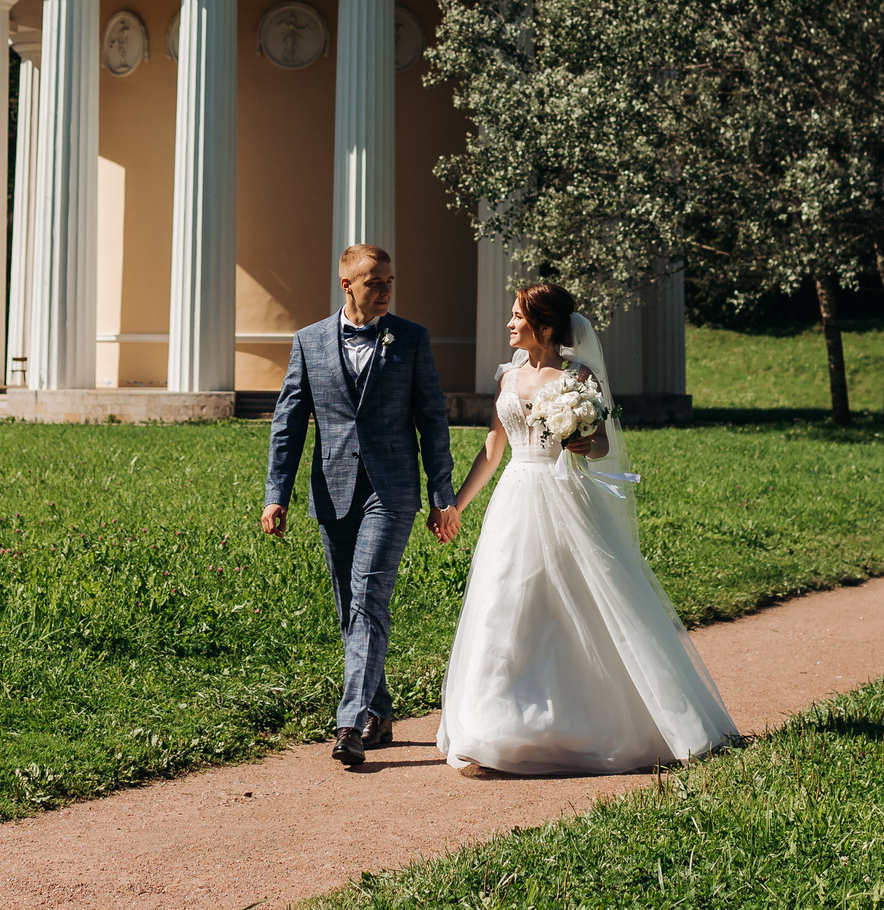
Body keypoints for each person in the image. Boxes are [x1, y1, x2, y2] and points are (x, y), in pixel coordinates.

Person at [435, 283, 736, 775]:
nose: (509, 324)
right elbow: (493, 448)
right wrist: (457, 505)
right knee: (505, 603)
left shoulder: (579, 377)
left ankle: (599, 722)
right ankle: (494, 728)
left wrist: (583, 445)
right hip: (515, 498)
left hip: (565, 499)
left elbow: (600, 446)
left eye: (517, 317)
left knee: (582, 602)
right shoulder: (508, 378)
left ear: (545, 327)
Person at [263, 244, 459, 767]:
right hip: (333, 490)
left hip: (392, 492)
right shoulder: (308, 342)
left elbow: (432, 421)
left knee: (369, 594)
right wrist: (275, 494)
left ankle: (350, 723)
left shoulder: (411, 339)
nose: (386, 290)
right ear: (346, 285)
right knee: (350, 607)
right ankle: (380, 710)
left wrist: (443, 496)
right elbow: (288, 423)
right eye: (375, 283)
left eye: (390, 281)